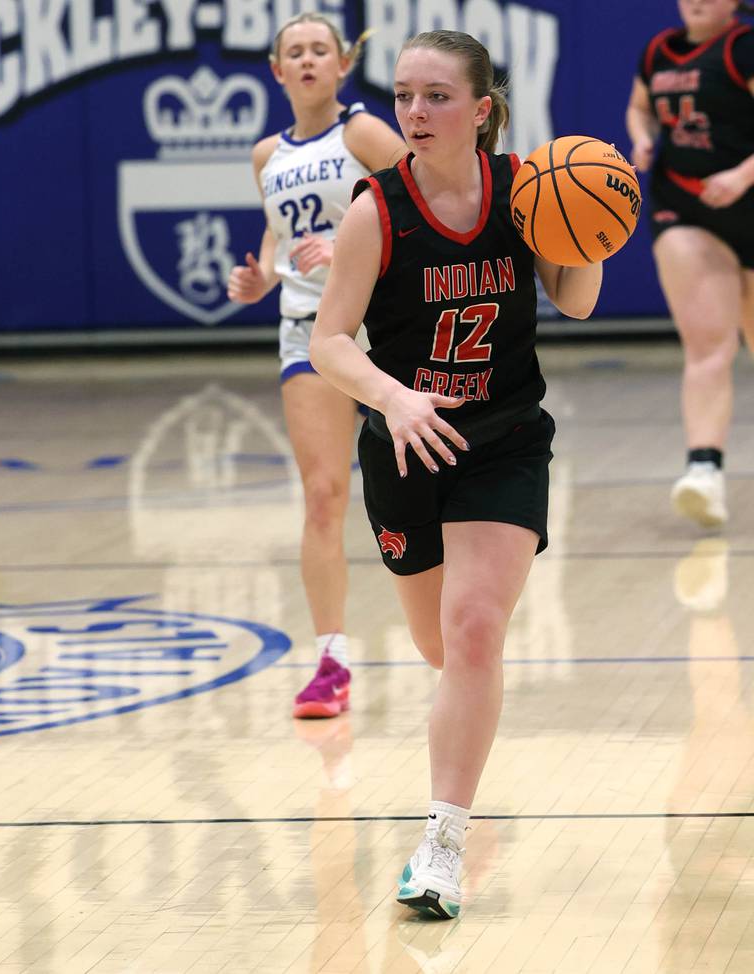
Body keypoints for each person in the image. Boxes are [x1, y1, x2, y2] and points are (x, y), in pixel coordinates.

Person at [310, 29, 604, 918]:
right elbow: (328, 343)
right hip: (404, 446)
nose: (414, 112)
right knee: (443, 649)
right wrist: (394, 398)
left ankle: (440, 842)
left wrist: (594, 218)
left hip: (505, 437)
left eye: (436, 96)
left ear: (482, 110)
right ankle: (461, 765)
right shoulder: (377, 209)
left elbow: (580, 299)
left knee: (474, 632)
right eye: (403, 95)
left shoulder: (524, 193)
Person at [227, 14, 406, 719]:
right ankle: (331, 658)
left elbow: (418, 200)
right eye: (293, 52)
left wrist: (351, 249)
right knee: (325, 493)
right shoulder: (265, 154)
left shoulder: (362, 134)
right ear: (277, 70)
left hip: (386, 327)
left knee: (423, 484)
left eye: (318, 50)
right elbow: (282, 234)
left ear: (341, 65)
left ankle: (457, 628)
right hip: (307, 331)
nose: (306, 60)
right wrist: (263, 277)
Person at [626, 0, 754, 527]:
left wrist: (744, 175)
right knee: (708, 345)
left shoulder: (742, 47)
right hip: (685, 204)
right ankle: (703, 470)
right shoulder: (659, 50)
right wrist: (641, 138)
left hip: (745, 194)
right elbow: (639, 107)